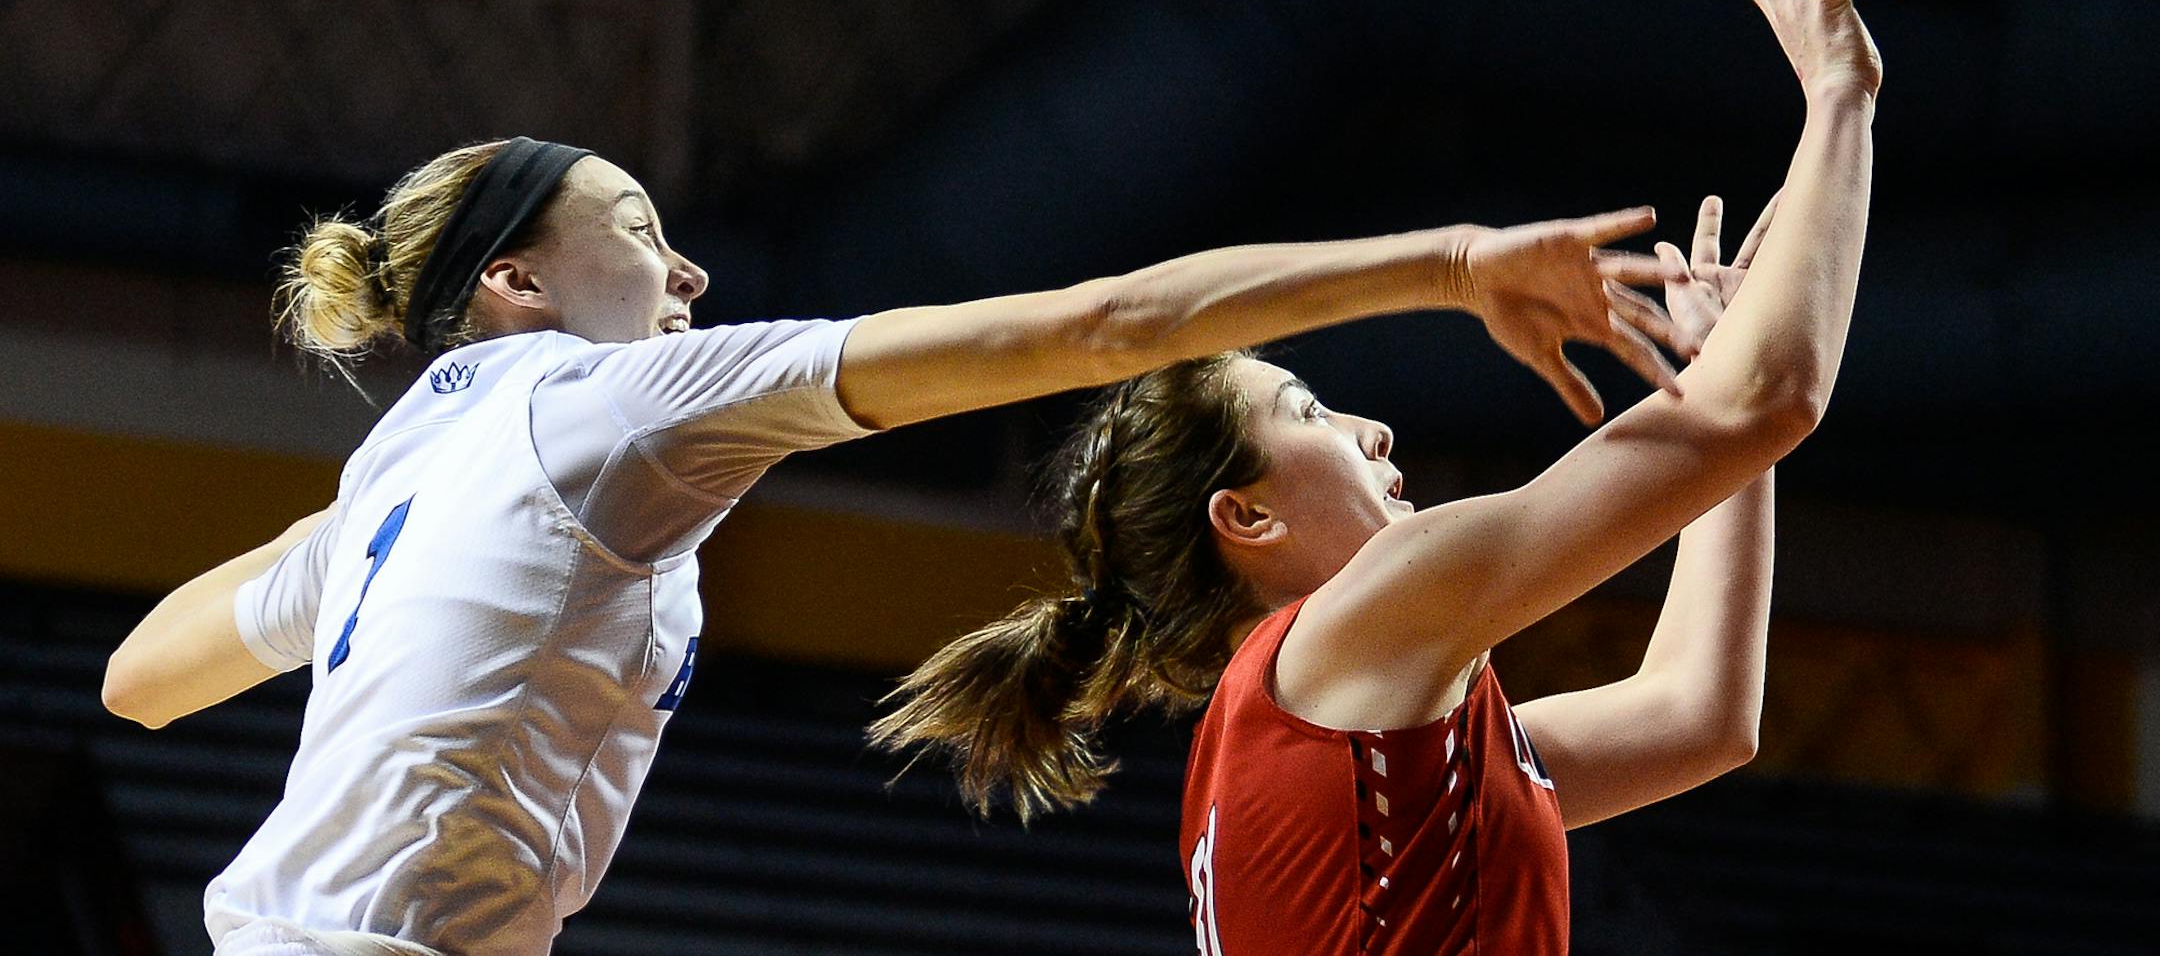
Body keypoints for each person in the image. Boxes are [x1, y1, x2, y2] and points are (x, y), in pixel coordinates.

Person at [99, 110, 1694, 952]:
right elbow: (1095, 324)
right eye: (644, 236)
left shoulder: (396, 472)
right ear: (517, 282)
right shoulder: (614, 402)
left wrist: (329, 561)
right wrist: (1454, 258)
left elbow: (138, 680)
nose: (689, 280)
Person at [871, 0, 1882, 954]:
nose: (1373, 430)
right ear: (1246, 517)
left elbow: (1697, 716)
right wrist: (1838, 94)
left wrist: (1727, 375)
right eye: (1304, 409)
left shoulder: (1341, 719)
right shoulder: (1356, 631)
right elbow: (1774, 398)